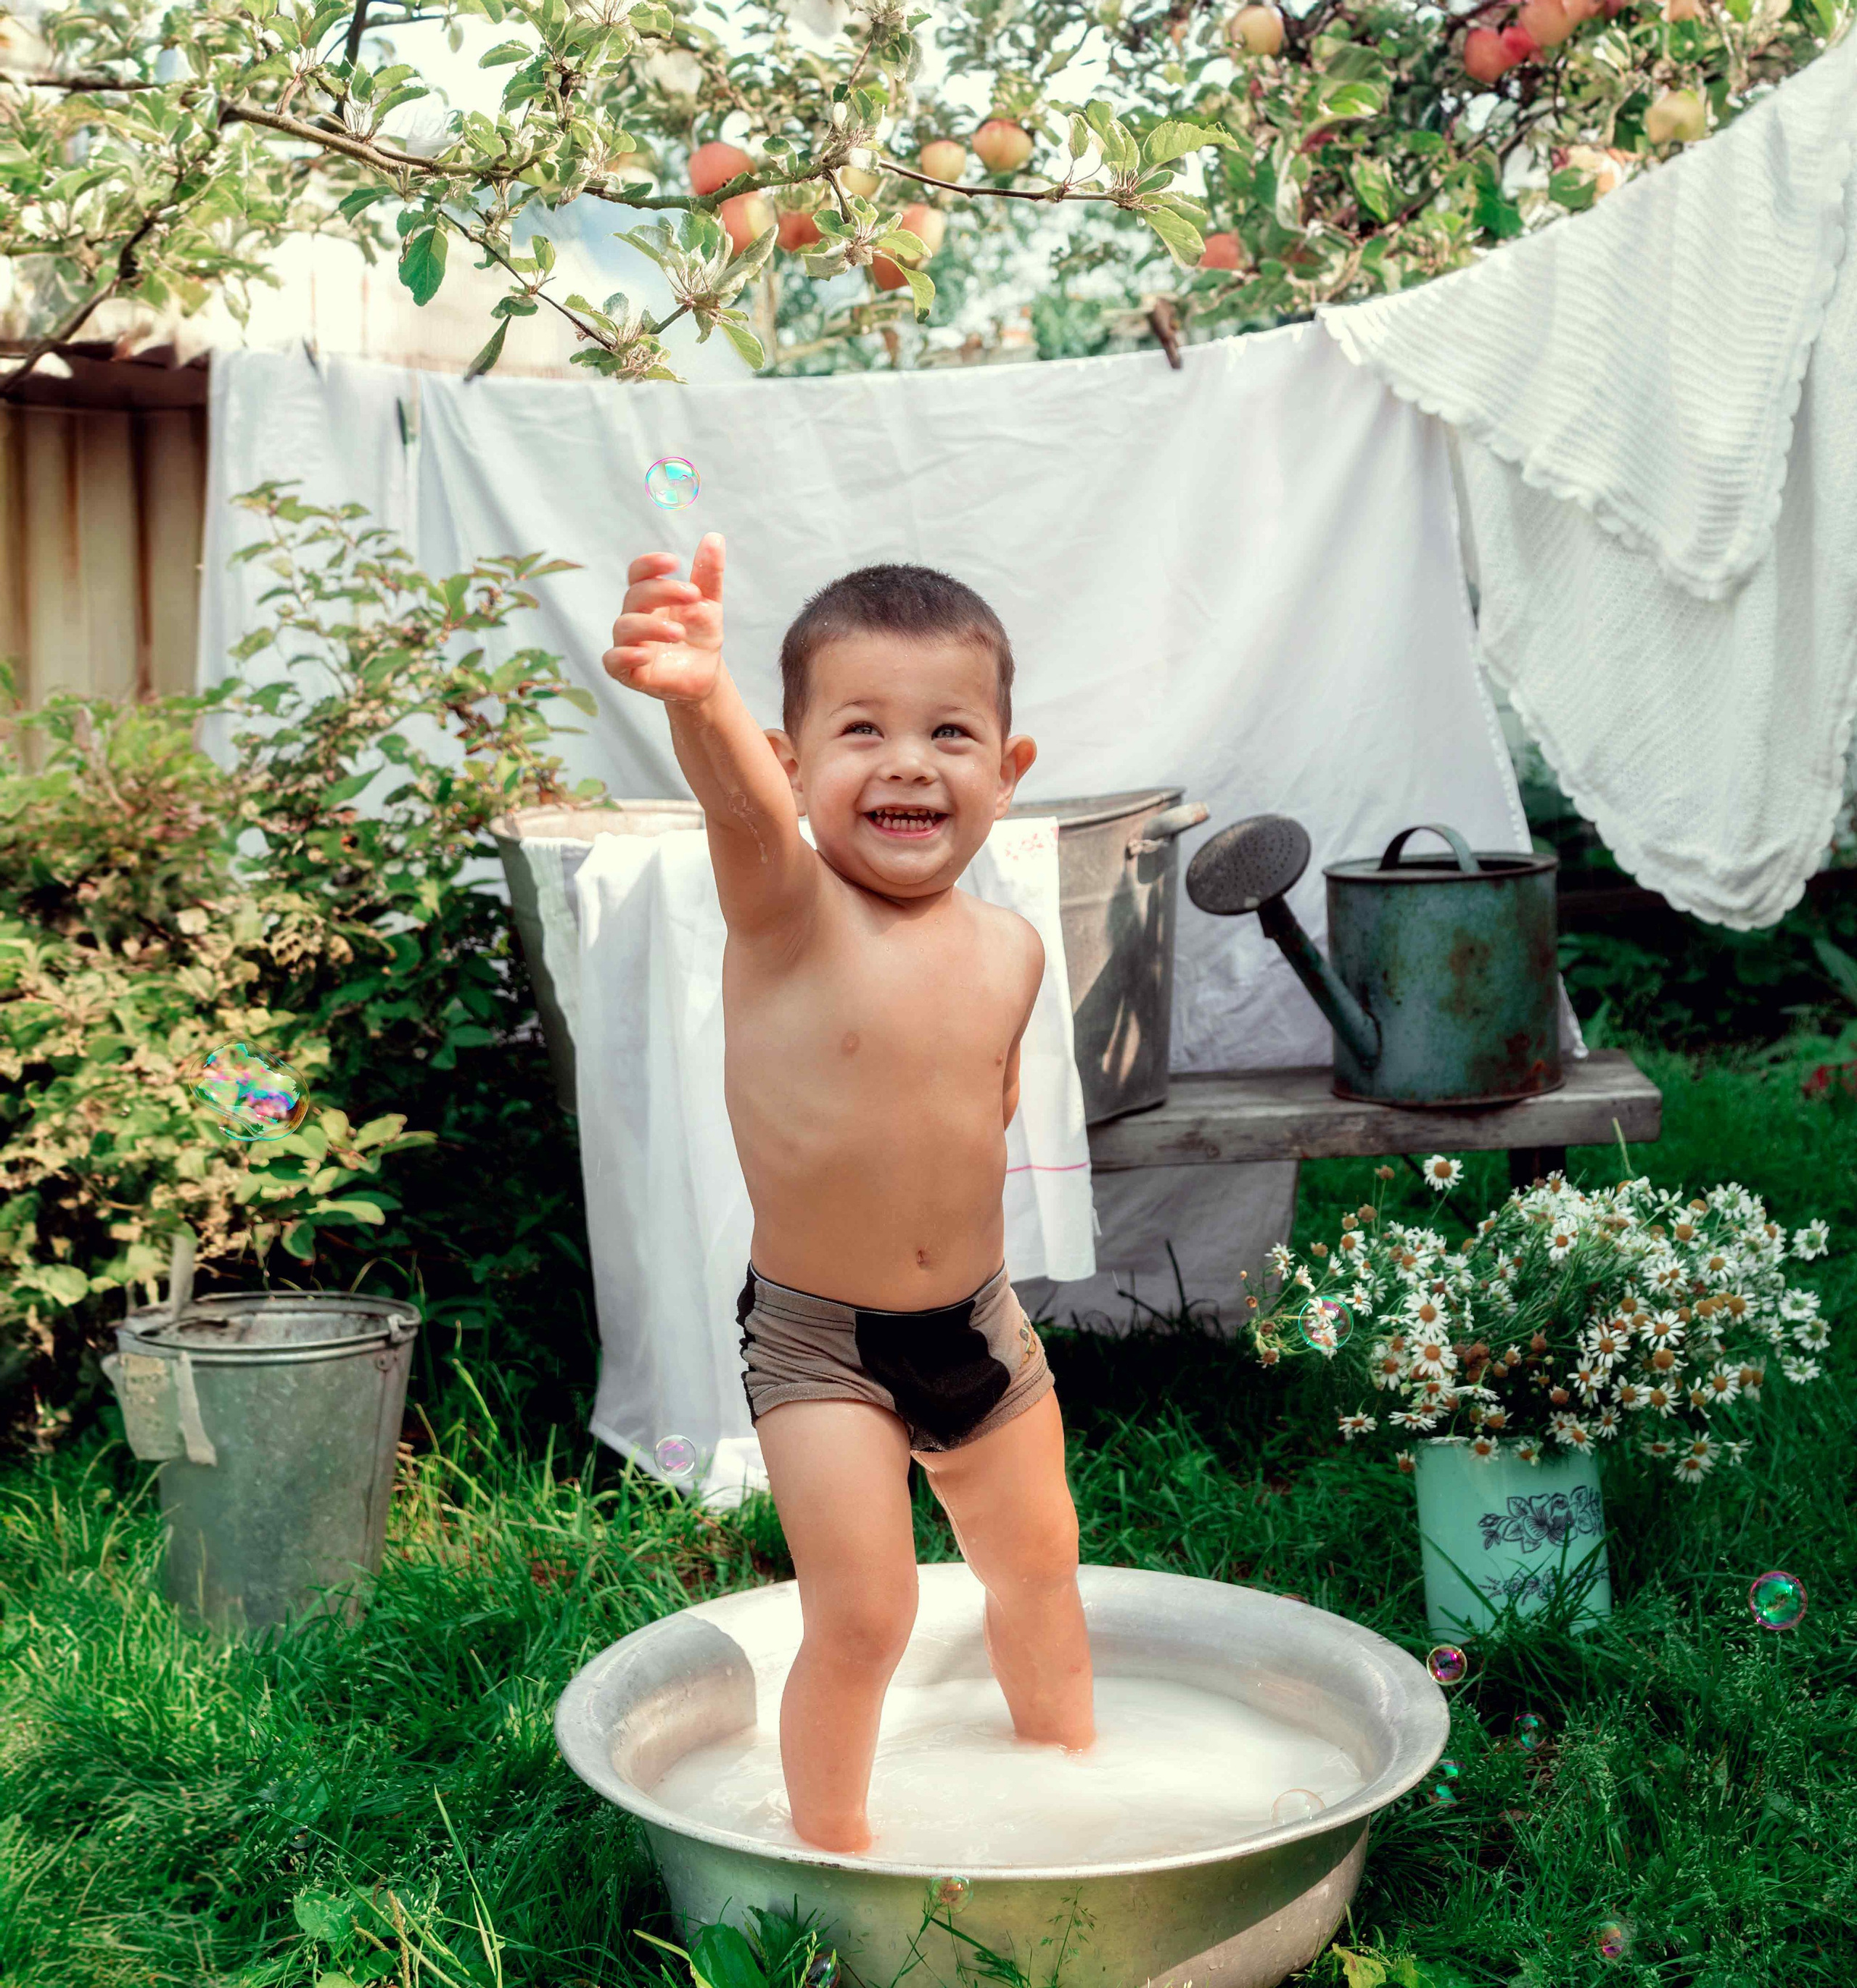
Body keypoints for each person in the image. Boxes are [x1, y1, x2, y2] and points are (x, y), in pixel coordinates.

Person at [603, 532, 1096, 1853]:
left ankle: (1079, 1787)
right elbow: (736, 810)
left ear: (1009, 768)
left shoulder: (1013, 947)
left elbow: (974, 1119)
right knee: (866, 1612)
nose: (908, 760)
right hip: (823, 1339)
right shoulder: (790, 913)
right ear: (796, 761)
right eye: (860, 729)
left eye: (949, 730)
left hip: (980, 1328)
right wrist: (695, 695)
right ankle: (833, 1856)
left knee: (1039, 1570)